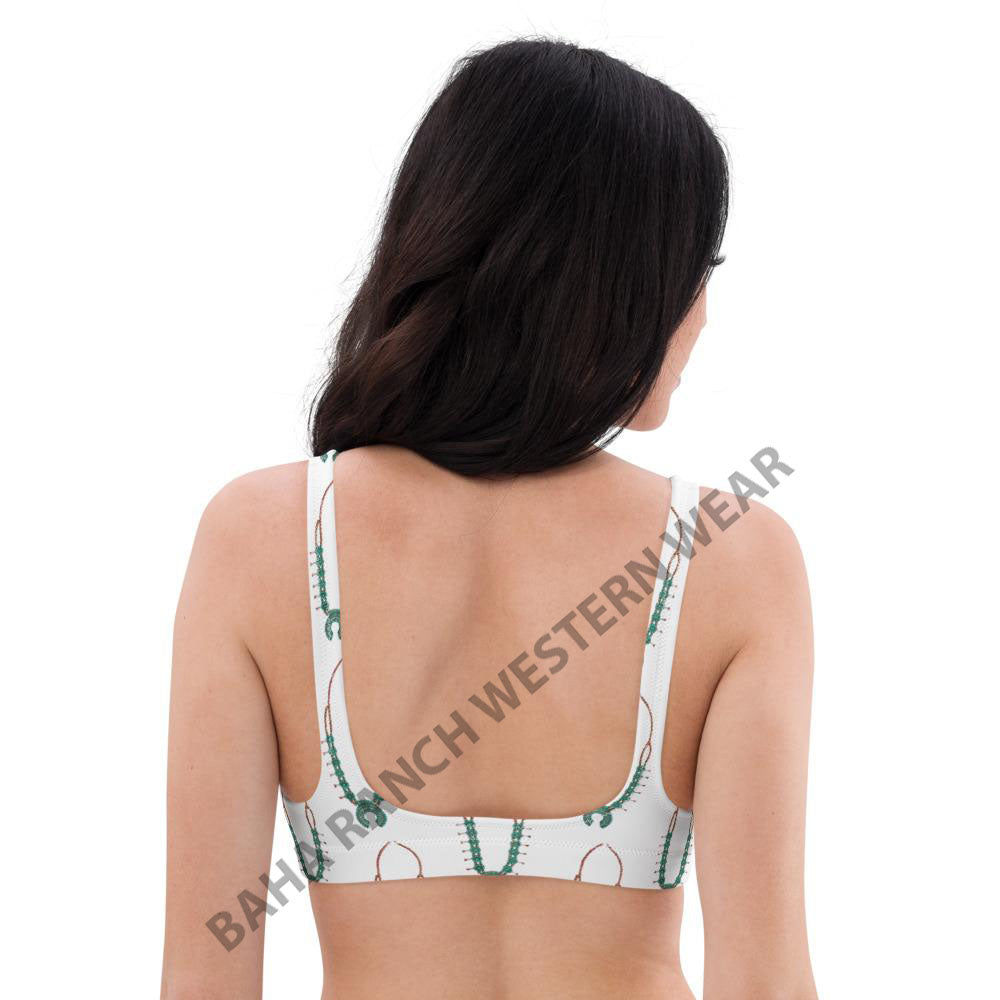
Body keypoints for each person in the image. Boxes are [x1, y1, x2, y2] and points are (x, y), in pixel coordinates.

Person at [162, 38, 817, 1000]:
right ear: (610, 277)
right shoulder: (731, 557)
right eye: (693, 268)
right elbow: (766, 984)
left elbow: (203, 981)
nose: (704, 314)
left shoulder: (258, 538)